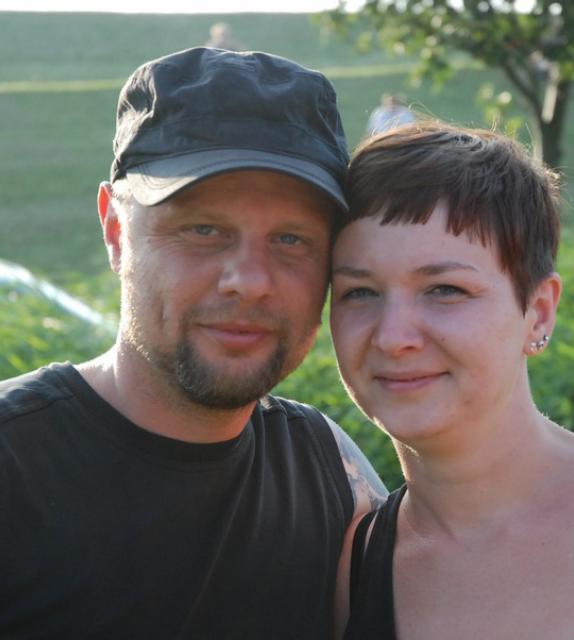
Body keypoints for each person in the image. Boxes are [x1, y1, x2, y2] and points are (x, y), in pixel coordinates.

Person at [0, 47, 387, 639]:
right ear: (115, 230)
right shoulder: (14, 466)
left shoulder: (330, 473)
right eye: (203, 229)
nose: (250, 281)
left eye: (291, 239)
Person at [330, 121, 574, 639]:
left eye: (444, 289)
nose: (393, 337)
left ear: (538, 312)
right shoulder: (358, 568)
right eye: (359, 293)